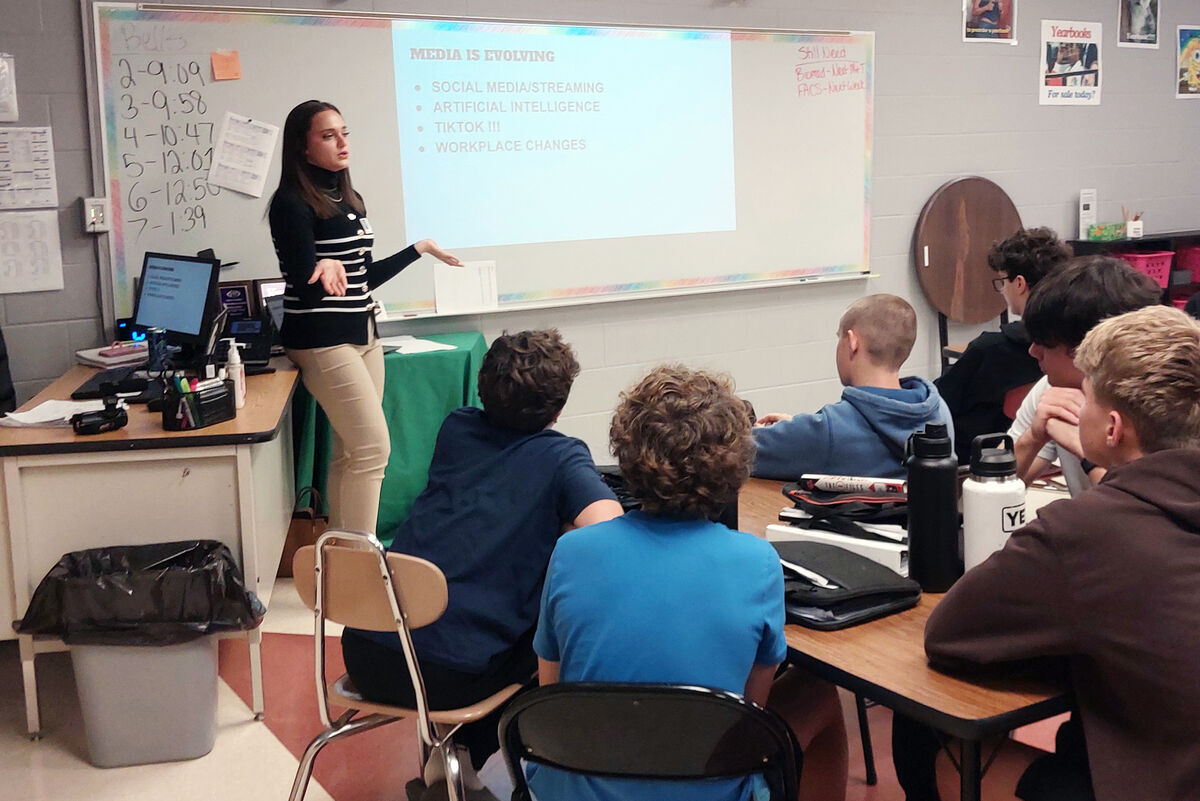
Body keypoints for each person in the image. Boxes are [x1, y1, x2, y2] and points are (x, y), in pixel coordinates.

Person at [533, 365, 848, 801]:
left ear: (626, 452)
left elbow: (553, 697)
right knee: (817, 691)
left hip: (575, 787)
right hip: (707, 788)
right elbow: (749, 714)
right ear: (733, 465)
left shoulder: (571, 552)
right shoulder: (758, 563)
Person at [924, 305, 1200, 801]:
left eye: (1086, 398)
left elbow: (948, 634)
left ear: (1112, 428)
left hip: (1157, 781)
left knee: (934, 746)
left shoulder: (1088, 530)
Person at [340, 329, 623, 801]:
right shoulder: (562, 456)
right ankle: (483, 759)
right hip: (450, 681)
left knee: (464, 617)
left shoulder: (457, 427)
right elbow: (606, 531)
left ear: (481, 389)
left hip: (367, 655)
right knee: (547, 636)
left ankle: (451, 764)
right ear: (556, 410)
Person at [269, 99, 461, 534]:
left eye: (344, 132)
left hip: (363, 333)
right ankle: (360, 560)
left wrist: (419, 250)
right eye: (327, 135)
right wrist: (323, 267)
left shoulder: (349, 199)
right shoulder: (291, 203)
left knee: (351, 452)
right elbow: (300, 279)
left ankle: (342, 557)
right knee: (374, 449)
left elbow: (363, 277)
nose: (341, 142)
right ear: (302, 146)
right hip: (320, 338)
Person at [752, 294, 953, 480]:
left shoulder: (831, 430)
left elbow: (735, 453)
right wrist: (798, 426)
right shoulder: (939, 411)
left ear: (852, 342)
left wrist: (795, 431)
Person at [1007, 256, 1161, 496]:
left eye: (1045, 343)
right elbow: (993, 487)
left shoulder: (1167, 406)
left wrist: (1088, 451)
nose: (1032, 351)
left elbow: (1150, 514)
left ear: (1088, 348)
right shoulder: (1052, 390)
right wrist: (1032, 438)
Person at [935, 227, 1072, 463]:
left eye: (1002, 281)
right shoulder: (1069, 346)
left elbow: (938, 405)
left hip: (980, 463)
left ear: (1019, 283)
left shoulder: (990, 349)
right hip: (1048, 461)